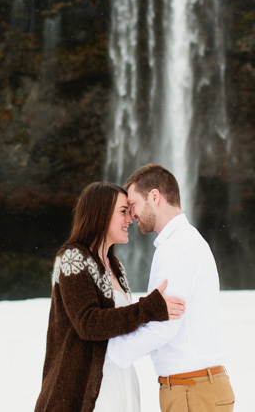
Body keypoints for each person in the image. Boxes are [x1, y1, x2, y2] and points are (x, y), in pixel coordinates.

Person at [34, 182, 186, 412]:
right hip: (83, 388)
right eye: (123, 211)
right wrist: (147, 309)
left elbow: (121, 323)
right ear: (101, 213)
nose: (131, 218)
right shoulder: (73, 258)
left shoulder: (117, 267)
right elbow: (88, 323)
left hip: (120, 379)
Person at [107, 164, 235, 411]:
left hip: (192, 390)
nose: (131, 215)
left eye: (132, 205)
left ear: (154, 197)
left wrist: (111, 353)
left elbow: (164, 325)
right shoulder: (187, 240)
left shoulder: (175, 248)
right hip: (199, 387)